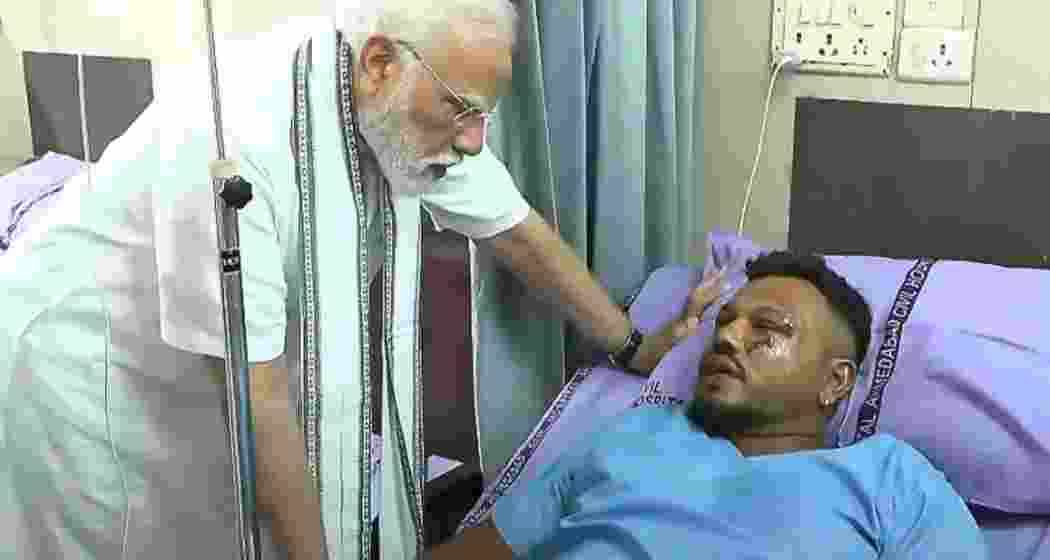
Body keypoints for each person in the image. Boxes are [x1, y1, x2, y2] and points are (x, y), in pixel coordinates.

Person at [0, 1, 703, 559]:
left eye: (482, 116)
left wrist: (632, 344)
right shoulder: (234, 142)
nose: (474, 141)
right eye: (463, 111)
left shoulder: (415, 111)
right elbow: (261, 399)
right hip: (83, 385)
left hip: (208, 384)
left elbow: (519, 232)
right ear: (377, 65)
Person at [432, 251, 988, 559]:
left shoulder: (889, 480)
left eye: (766, 330)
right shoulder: (633, 435)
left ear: (835, 382)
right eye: (724, 323)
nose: (727, 338)